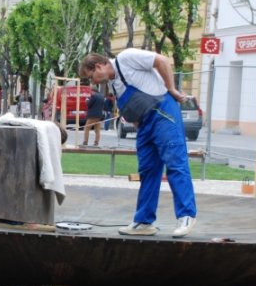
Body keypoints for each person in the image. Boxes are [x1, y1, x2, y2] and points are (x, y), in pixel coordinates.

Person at [79, 49, 197, 238]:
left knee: (175, 163)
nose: (93, 81)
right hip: (145, 125)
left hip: (163, 113)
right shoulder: (113, 83)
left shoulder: (126, 58)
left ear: (99, 66)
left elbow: (162, 61)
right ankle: (144, 221)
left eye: (91, 76)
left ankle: (186, 215)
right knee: (148, 170)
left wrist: (171, 89)